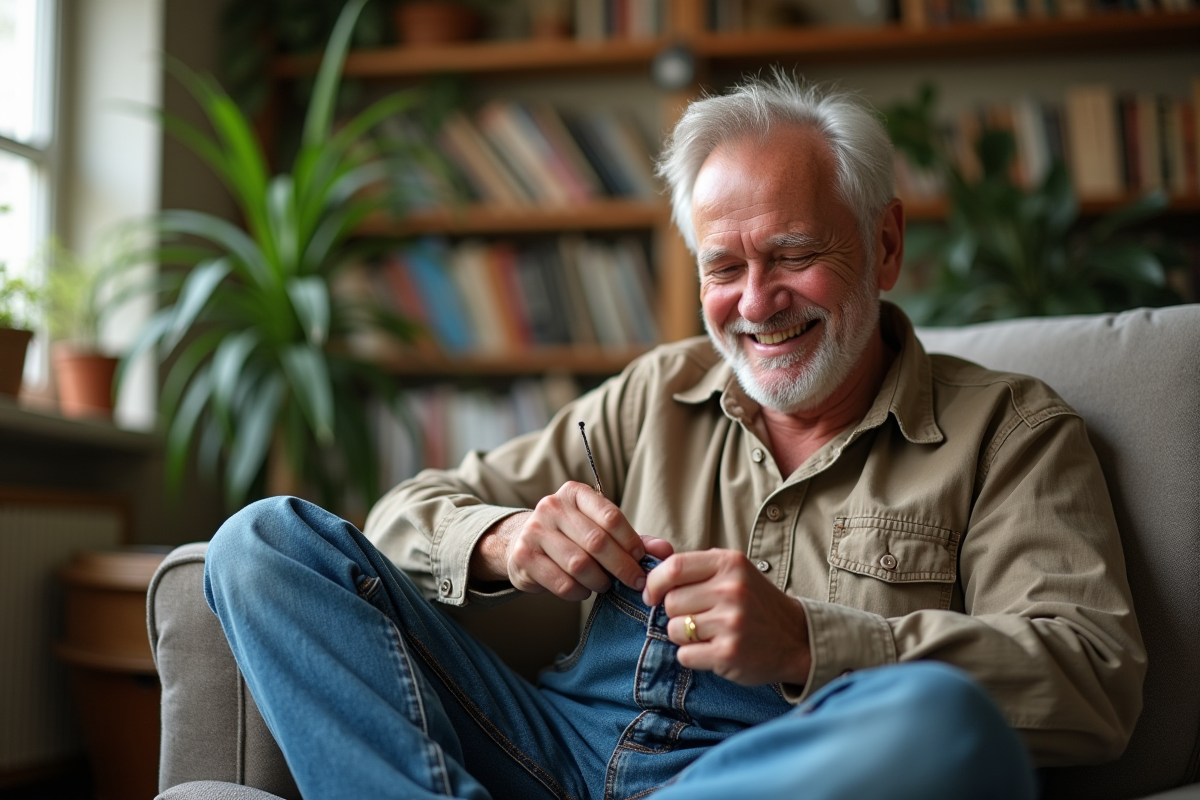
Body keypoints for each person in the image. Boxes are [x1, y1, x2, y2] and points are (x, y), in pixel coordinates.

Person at [205, 75, 1145, 800]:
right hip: (555, 747)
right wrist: (503, 541)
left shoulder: (1010, 432)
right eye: (723, 266)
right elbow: (405, 517)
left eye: (794, 256)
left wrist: (806, 643)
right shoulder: (654, 393)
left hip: (777, 773)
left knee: (944, 725)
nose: (756, 302)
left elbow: (1091, 680)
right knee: (262, 543)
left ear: (886, 244)